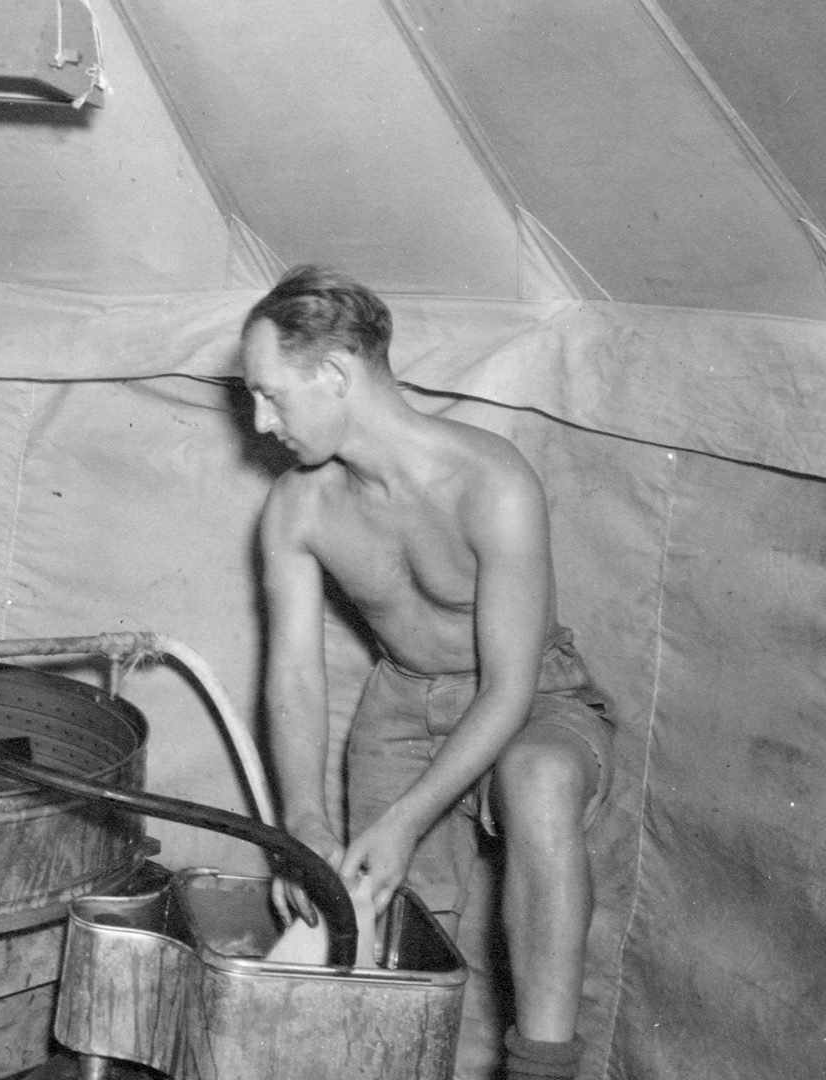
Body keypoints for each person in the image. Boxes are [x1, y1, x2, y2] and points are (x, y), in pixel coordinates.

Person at [244, 265, 614, 1080]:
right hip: (400, 705)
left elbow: (509, 688)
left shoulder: (491, 480)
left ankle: (542, 1069)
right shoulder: (297, 509)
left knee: (541, 779)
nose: (261, 421)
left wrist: (407, 818)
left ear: (333, 373)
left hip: (529, 695)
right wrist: (303, 822)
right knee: (385, 917)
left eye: (270, 394)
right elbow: (295, 679)